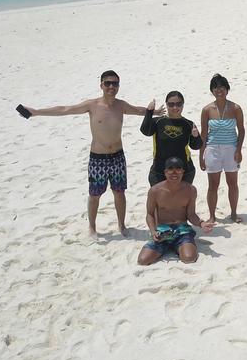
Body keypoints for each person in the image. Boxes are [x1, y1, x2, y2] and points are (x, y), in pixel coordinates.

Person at [17, 70, 157, 237]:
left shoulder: (121, 105)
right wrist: (36, 112)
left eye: (115, 83)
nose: (111, 86)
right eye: (108, 83)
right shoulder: (92, 105)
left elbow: (138, 111)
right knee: (95, 194)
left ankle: (121, 225)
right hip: (98, 158)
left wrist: (153, 111)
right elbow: (65, 109)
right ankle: (92, 227)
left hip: (118, 156)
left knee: (119, 193)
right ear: (101, 85)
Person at [137, 157, 214, 265]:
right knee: (142, 260)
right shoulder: (155, 191)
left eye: (178, 169)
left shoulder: (190, 190)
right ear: (165, 172)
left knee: (189, 258)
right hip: (162, 231)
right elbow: (150, 214)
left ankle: (180, 246)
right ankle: (168, 246)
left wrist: (202, 224)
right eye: (170, 169)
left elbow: (191, 215)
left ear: (182, 171)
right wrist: (153, 231)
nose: (174, 172)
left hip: (182, 230)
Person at [199, 74, 245, 224]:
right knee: (213, 185)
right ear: (212, 90)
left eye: (222, 87)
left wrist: (239, 150)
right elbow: (204, 134)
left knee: (233, 183)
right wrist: (201, 155)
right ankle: (212, 215)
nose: (220, 90)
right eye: (216, 87)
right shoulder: (207, 110)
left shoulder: (235, 108)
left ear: (227, 89)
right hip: (212, 149)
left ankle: (233, 213)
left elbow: (242, 130)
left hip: (231, 148)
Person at [140, 90, 202, 186]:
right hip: (160, 170)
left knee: (181, 200)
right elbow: (145, 131)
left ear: (183, 104)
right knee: (159, 200)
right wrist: (149, 111)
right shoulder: (158, 122)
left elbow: (196, 146)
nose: (175, 107)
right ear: (167, 105)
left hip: (184, 170)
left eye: (178, 104)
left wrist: (196, 136)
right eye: (171, 104)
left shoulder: (188, 124)